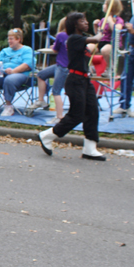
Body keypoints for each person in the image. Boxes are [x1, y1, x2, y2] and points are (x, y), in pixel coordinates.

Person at [39, 12, 105, 161]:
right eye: (82, 21)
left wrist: (97, 30)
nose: (86, 23)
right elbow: (95, 39)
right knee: (77, 114)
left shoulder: (81, 40)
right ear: (75, 24)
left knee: (92, 112)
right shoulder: (73, 39)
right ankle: (47, 136)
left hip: (85, 80)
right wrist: (100, 31)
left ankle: (90, 147)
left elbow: (94, 43)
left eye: (86, 20)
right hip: (74, 80)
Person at [0, 28, 34, 116]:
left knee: (9, 79)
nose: (9, 41)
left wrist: (13, 71)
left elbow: (27, 65)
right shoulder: (5, 51)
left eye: (11, 39)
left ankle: (8, 106)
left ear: (18, 39)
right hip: (4, 73)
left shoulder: (27, 50)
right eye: (8, 39)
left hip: (21, 75)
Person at [29, 17, 68, 125]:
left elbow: (55, 49)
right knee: (41, 74)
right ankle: (41, 100)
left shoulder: (61, 35)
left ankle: (59, 116)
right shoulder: (74, 36)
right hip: (63, 65)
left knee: (56, 91)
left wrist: (54, 47)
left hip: (63, 67)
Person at [93, 0, 124, 76]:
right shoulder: (103, 20)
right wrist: (95, 26)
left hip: (112, 43)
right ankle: (90, 66)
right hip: (102, 41)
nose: (103, 6)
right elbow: (98, 34)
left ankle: (109, 68)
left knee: (105, 50)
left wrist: (110, 20)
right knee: (87, 47)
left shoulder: (118, 20)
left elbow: (117, 29)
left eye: (105, 4)